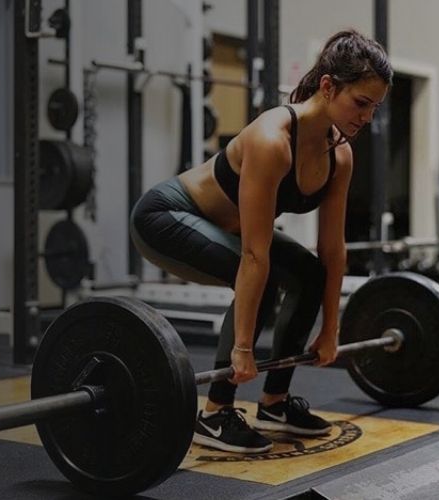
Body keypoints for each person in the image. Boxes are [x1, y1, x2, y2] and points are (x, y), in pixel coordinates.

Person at [130, 29, 392, 454]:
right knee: (263, 274)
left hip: (226, 231)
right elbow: (254, 255)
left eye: (374, 108)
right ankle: (214, 413)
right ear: (328, 86)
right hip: (166, 218)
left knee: (307, 271)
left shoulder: (339, 153)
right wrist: (243, 348)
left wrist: (331, 329)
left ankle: (275, 404)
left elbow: (332, 251)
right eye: (361, 103)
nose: (366, 117)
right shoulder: (272, 139)